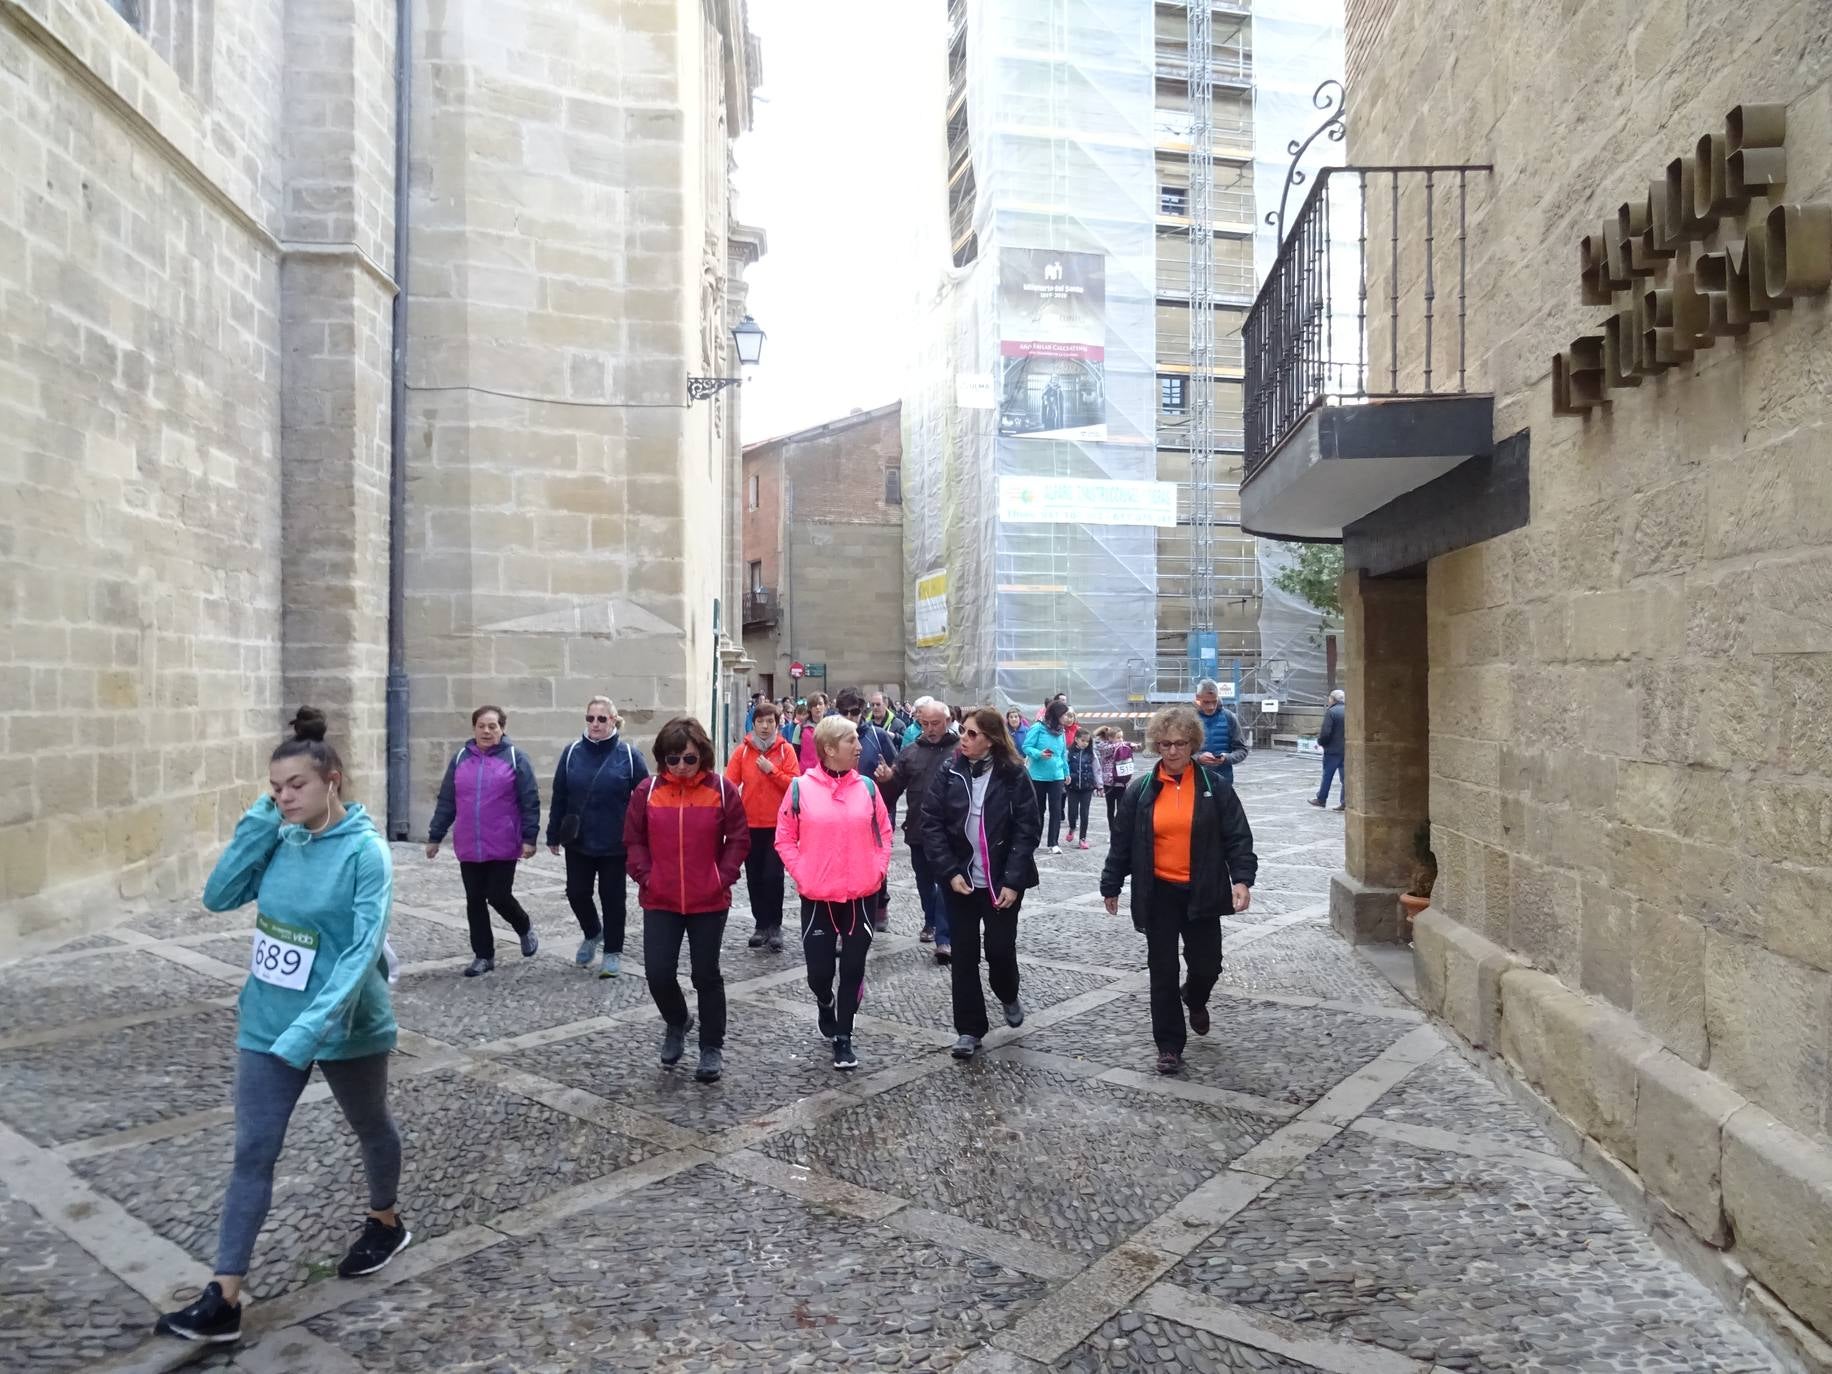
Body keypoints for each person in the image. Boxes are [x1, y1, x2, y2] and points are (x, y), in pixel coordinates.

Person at [154, 709, 407, 1345]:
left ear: (332, 782)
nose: (283, 795)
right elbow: (218, 895)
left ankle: (385, 1220)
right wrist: (260, 820)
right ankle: (224, 1296)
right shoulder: (280, 836)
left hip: (345, 1025)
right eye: (275, 787)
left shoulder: (365, 852)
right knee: (253, 1152)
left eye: (294, 785)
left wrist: (310, 1033)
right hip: (267, 1022)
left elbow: (359, 953)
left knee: (371, 1125)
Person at [1100, 705, 1257, 1075]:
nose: (1172, 751)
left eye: (1180, 744)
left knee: (1207, 965)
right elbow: (1122, 841)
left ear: (1193, 744)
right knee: (1162, 969)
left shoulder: (1213, 787)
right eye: (1165, 744)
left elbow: (1238, 837)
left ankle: (1196, 995)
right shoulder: (1140, 790)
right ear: (1156, 744)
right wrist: (1111, 883)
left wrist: (1242, 880)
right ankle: (1169, 1045)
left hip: (1202, 889)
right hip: (1159, 892)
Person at [624, 718, 749, 1083]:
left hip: (707, 900)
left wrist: (721, 877)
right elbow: (633, 840)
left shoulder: (721, 790)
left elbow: (738, 840)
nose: (679, 766)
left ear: (702, 757)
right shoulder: (646, 792)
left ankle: (711, 1045)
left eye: (688, 759)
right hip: (660, 898)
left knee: (705, 974)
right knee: (658, 973)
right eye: (672, 759)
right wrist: (646, 877)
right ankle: (677, 1020)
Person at [921, 707, 1042, 1060]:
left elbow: (1027, 828)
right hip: (960, 882)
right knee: (964, 955)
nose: (964, 739)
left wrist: (1014, 880)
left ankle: (1007, 992)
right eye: (964, 731)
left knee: (1000, 950)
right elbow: (931, 823)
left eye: (972, 734)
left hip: (1000, 882)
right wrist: (949, 871)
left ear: (990, 740)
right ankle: (969, 1029)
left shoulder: (1014, 775)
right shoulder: (949, 770)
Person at [775, 714, 893, 1073]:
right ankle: (825, 1003)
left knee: (854, 968)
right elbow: (784, 838)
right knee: (819, 973)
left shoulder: (869, 789)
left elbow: (884, 835)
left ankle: (844, 1036)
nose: (860, 747)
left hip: (861, 894)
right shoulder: (799, 789)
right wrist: (804, 873)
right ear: (829, 749)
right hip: (819, 896)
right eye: (851, 741)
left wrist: (877, 869)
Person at [426, 704, 541, 976]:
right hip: (469, 843)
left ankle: (523, 926)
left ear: (502, 729)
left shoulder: (516, 758)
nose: (487, 731)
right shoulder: (460, 758)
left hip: (503, 842)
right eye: (482, 726)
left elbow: (529, 801)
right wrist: (435, 836)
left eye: (493, 726)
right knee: (474, 899)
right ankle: (483, 956)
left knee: (499, 896)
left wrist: (529, 838)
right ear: (474, 728)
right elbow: (447, 800)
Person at [546, 695, 648, 977]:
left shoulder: (628, 755)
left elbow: (644, 800)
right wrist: (553, 833)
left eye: (602, 718)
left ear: (613, 721)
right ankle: (593, 931)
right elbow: (560, 795)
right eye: (590, 718)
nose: (595, 724)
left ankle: (612, 951)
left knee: (612, 897)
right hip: (579, 839)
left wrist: (643, 838)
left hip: (616, 842)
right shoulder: (571, 753)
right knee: (576, 892)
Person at [882, 699, 959, 959]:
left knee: (946, 883)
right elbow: (892, 791)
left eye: (935, 723)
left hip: (951, 833)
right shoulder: (910, 752)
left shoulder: (960, 751)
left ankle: (944, 938)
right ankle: (931, 920)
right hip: (918, 829)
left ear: (948, 721)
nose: (930, 729)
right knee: (925, 883)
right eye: (924, 723)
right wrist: (885, 781)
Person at [724, 699, 800, 951]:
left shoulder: (785, 750)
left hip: (778, 825)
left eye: (770, 722)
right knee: (755, 877)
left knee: (773, 876)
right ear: (753, 724)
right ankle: (760, 924)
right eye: (760, 722)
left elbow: (794, 784)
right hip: (749, 825)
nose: (765, 726)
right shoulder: (743, 751)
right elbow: (729, 784)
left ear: (778, 724)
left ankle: (775, 926)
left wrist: (771, 771)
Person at [835, 686, 901, 931]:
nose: (851, 717)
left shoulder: (878, 735)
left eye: (854, 712)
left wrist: (888, 775)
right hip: (842, 813)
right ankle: (847, 916)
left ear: (862, 712)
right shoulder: (833, 738)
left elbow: (898, 772)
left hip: (875, 812)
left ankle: (880, 904)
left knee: (875, 864)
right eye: (845, 712)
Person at [1022, 700, 1070, 855]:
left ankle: (1053, 842)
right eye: (1064, 715)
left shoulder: (1061, 731)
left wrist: (1066, 772)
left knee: (1056, 809)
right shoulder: (1038, 728)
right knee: (1038, 810)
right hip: (1038, 776)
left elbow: (1063, 754)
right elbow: (1026, 747)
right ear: (1056, 715)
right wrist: (1039, 754)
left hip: (1056, 775)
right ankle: (1034, 840)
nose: (1066, 718)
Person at [1193, 679, 1250, 784]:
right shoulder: (1189, 719)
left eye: (1214, 701)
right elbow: (1179, 752)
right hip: (1196, 780)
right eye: (1206, 702)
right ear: (1198, 698)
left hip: (1223, 780)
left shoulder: (1229, 717)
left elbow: (1242, 750)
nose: (1211, 707)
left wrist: (1226, 758)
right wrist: (1198, 758)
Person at [1092, 726, 1136, 831]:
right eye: (1118, 737)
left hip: (1122, 783)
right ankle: (1112, 830)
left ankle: (1120, 830)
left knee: (1121, 809)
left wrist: (1132, 746)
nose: (1121, 740)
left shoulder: (1123, 746)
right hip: (1110, 784)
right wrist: (1127, 744)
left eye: (1122, 737)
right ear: (1110, 738)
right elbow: (1108, 747)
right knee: (1110, 809)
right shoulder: (1105, 747)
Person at [1311, 689, 1347, 811]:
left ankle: (1321, 799)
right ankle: (1345, 802)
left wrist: (1321, 743)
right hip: (1346, 750)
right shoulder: (1350, 711)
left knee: (1327, 776)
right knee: (1345, 778)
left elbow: (1326, 732)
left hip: (1332, 750)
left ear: (1333, 699)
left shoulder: (1331, 712)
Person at [1064, 722, 1096, 849]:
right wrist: (1065, 779)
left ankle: (1082, 838)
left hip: (1087, 787)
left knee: (1085, 813)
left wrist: (1099, 784)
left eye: (1087, 741)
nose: (1085, 743)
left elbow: (1096, 769)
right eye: (1082, 740)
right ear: (1076, 739)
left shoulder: (1091, 754)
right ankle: (1072, 827)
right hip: (1073, 787)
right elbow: (1065, 767)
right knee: (1072, 812)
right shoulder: (1069, 753)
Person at [797, 693, 829, 771]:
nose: (817, 707)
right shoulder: (800, 727)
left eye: (820, 704)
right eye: (814, 705)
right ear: (810, 708)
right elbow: (796, 753)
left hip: (827, 773)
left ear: (825, 706)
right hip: (806, 774)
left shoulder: (831, 727)